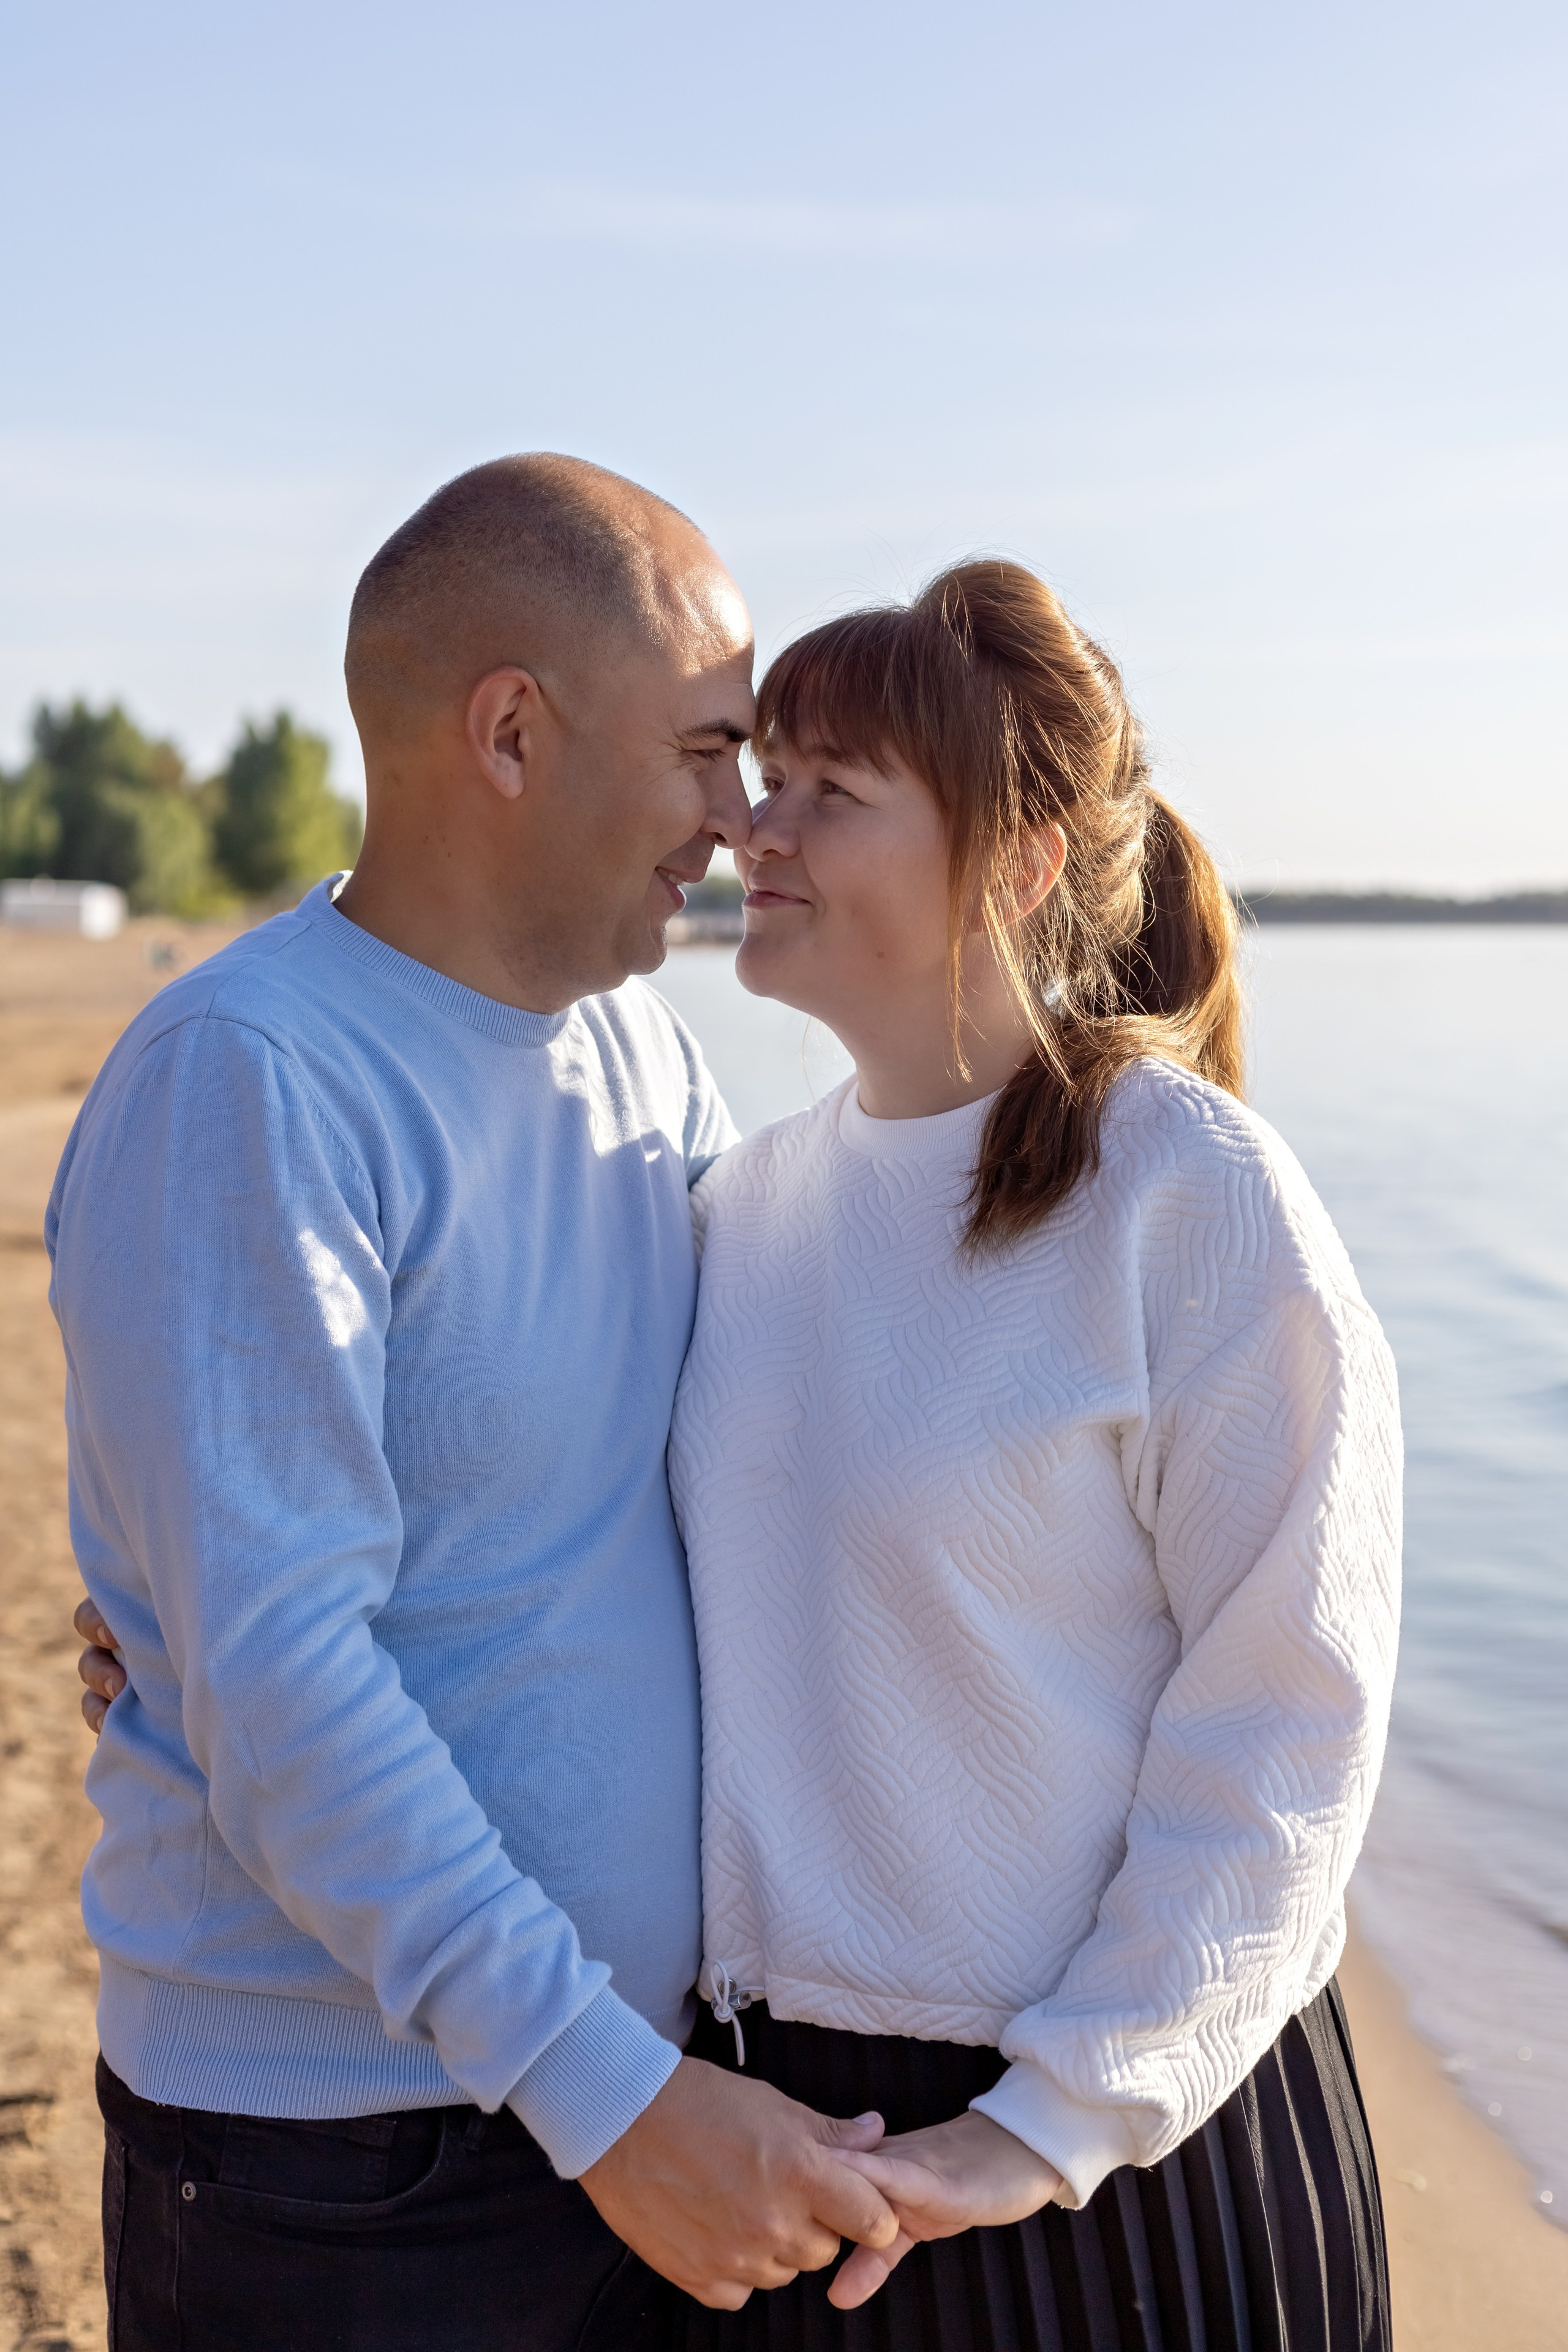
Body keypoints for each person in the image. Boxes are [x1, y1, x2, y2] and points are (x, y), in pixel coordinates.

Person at [54, 454, 900, 2352]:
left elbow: (781, 1443)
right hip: (346, 2174)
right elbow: (286, 1683)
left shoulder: (643, 1059)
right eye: (708, 750)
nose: (741, 814)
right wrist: (610, 2100)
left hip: (623, 2101)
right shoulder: (251, 1078)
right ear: (511, 733)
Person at [662, 561, 1401, 2346]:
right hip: (788, 2154)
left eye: (834, 791)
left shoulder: (1186, 1193)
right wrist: (201, 1619)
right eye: (770, 775)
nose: (759, 827)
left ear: (1018, 863)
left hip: (1126, 2157)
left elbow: (1291, 1720)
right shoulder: (737, 1211)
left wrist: (1046, 2124)